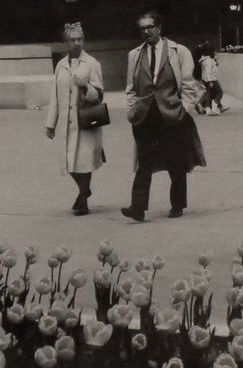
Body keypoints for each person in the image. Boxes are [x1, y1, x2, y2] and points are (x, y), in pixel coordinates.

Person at [121, 11, 205, 223]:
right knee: (144, 161)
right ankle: (137, 208)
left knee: (176, 160)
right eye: (142, 28)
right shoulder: (135, 55)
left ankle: (177, 204)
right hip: (145, 116)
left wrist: (184, 109)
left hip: (172, 114)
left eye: (150, 27)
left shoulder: (179, 51)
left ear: (159, 28)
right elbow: (131, 87)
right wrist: (132, 109)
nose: (146, 31)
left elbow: (188, 84)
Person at [44, 22, 107, 215]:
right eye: (72, 40)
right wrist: (50, 123)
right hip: (66, 122)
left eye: (80, 39)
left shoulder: (92, 63)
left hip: (86, 121)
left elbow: (100, 94)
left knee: (84, 161)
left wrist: (85, 86)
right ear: (66, 42)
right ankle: (85, 191)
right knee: (70, 163)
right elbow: (55, 95)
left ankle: (83, 200)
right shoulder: (61, 65)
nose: (76, 43)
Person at [195, 42, 229, 115]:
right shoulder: (208, 60)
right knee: (220, 92)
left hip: (207, 79)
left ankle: (208, 109)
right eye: (213, 50)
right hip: (212, 79)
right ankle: (214, 107)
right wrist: (210, 81)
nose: (215, 52)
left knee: (209, 94)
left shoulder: (206, 59)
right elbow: (208, 71)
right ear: (210, 51)